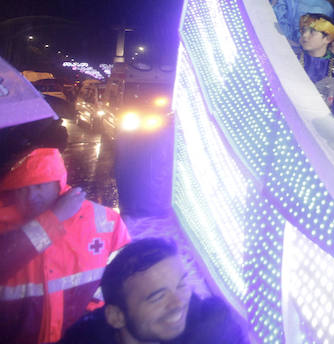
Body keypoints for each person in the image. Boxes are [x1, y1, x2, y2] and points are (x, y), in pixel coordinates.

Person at [0, 147, 130, 343]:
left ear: (57, 184)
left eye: (39, 186)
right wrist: (53, 218)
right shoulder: (4, 227)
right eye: (22, 189)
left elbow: (127, 280)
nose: (31, 196)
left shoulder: (105, 222)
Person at [54, 237, 247, 343]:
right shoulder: (84, 338)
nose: (178, 304)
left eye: (181, 284)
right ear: (116, 316)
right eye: (158, 297)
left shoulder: (214, 332)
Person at [297, 14, 334, 105]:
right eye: (303, 30)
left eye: (312, 31)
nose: (305, 35)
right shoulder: (293, 57)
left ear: (327, 38)